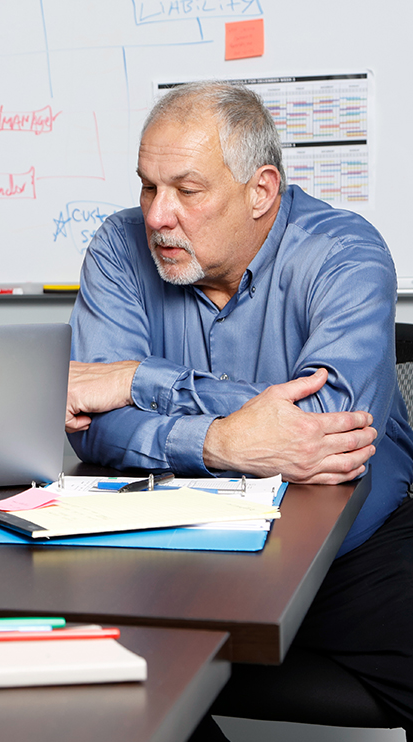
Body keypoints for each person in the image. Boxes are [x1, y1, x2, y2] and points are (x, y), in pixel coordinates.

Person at [65, 81, 413, 736]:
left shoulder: (345, 255)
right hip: (169, 550)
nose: (157, 215)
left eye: (186, 190)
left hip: (349, 558)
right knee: (85, 682)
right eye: (147, 186)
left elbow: (327, 428)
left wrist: (142, 378)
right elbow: (95, 426)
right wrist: (219, 444)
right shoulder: (117, 248)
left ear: (261, 191)